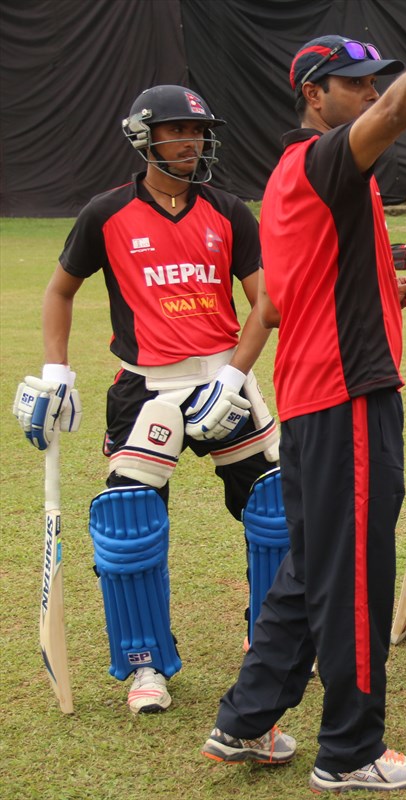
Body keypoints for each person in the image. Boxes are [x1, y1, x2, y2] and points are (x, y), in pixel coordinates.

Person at [199, 2, 406, 793]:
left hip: (317, 397)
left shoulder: (293, 178)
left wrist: (385, 287)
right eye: (354, 84)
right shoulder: (323, 159)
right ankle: (349, 752)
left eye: (373, 80)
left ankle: (244, 720)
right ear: (314, 95)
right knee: (355, 576)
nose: (371, 92)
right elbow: (400, 110)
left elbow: (292, 296)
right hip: (345, 399)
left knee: (315, 566)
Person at [12, 84, 282, 715]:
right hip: (144, 387)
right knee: (130, 526)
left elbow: (265, 304)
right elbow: (60, 290)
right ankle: (146, 665)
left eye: (199, 131)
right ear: (144, 137)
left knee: (276, 513)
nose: (193, 142)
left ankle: (274, 640)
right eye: (178, 130)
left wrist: (233, 378)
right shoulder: (105, 213)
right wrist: (56, 372)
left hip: (222, 380)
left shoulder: (229, 211)